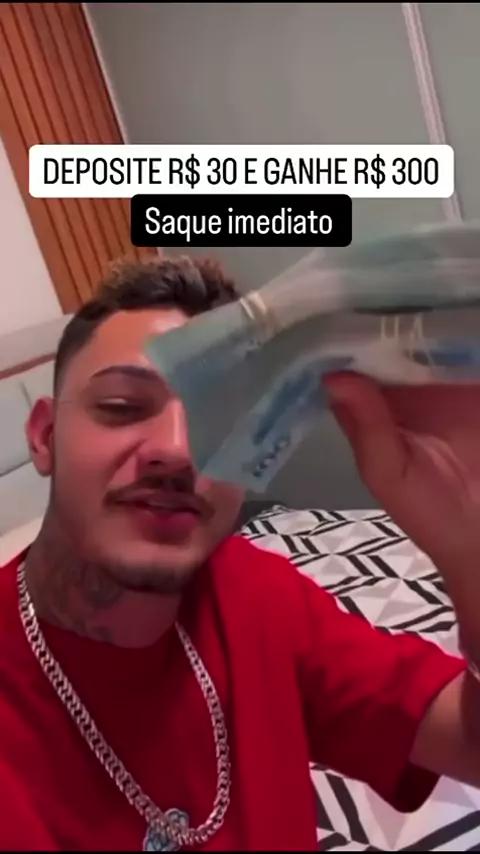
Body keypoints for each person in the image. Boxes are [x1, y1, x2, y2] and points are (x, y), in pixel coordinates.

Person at [1, 253, 480, 853]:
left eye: (223, 420)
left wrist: (468, 557)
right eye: (123, 407)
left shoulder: (254, 592)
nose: (179, 450)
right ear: (45, 436)